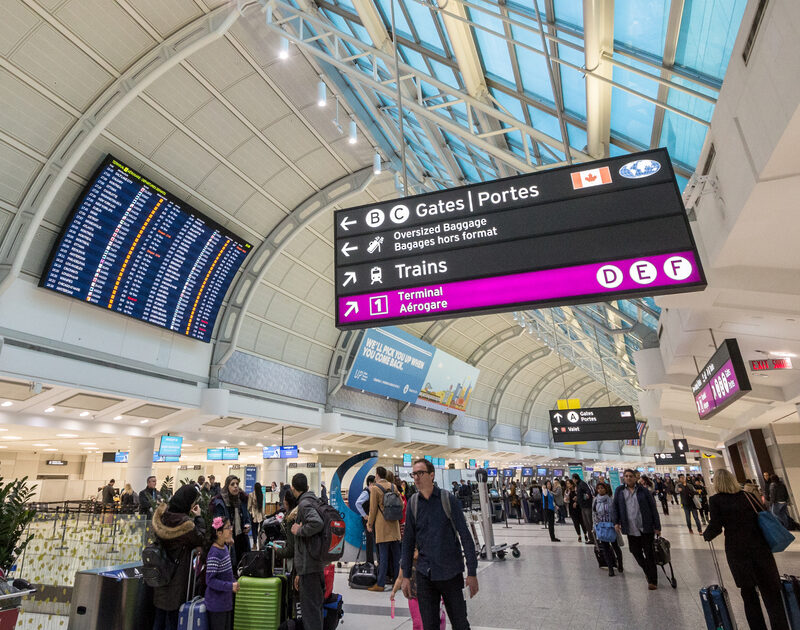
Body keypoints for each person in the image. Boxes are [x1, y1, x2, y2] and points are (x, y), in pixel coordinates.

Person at [703, 469, 788, 630]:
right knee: (772, 594)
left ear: (717, 483)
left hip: (738, 552)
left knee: (749, 595)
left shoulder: (716, 500)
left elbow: (716, 526)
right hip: (760, 548)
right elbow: (762, 513)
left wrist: (706, 535)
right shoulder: (747, 496)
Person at [401, 458, 478, 630]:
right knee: (429, 626)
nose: (416, 478)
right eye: (414, 474)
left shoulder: (447, 499)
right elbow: (407, 542)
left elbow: (465, 536)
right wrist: (405, 576)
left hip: (450, 573)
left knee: (460, 624)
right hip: (424, 575)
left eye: (420, 473)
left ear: (431, 475)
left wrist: (472, 572)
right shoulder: (413, 503)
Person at [151, 485, 206, 630]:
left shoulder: (161, 517)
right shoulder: (185, 524)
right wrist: (199, 517)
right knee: (173, 618)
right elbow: (200, 539)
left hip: (160, 571)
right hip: (177, 576)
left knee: (159, 615)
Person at [611, 469, 661, 590]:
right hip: (631, 528)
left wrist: (657, 526)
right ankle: (647, 570)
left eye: (630, 476)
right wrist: (616, 522)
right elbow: (615, 507)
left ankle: (652, 581)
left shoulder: (643, 491)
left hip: (646, 527)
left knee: (649, 554)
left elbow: (653, 508)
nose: (628, 478)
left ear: (635, 478)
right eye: (626, 476)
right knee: (635, 551)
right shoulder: (620, 491)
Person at [290, 473, 325, 630]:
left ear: (293, 488)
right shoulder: (313, 500)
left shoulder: (304, 504)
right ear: (307, 487)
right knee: (314, 609)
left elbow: (317, 523)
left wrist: (299, 530)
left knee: (310, 612)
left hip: (309, 566)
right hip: (314, 562)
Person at [367, 466, 402, 592]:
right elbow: (401, 505)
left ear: (377, 475)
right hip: (394, 526)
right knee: (397, 557)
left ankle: (381, 584)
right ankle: (398, 582)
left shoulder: (375, 489)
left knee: (383, 557)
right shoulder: (393, 487)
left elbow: (372, 509)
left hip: (382, 526)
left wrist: (369, 524)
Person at [211, 475, 252, 568]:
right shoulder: (220, 502)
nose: (235, 486)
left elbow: (247, 517)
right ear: (227, 486)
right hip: (227, 540)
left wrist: (248, 525)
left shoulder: (242, 500)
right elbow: (218, 523)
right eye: (232, 484)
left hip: (241, 537)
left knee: (242, 565)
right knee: (231, 566)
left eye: (237, 484)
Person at [205, 516, 239, 630]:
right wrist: (230, 586)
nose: (231, 529)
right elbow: (210, 580)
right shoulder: (214, 553)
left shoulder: (224, 548)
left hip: (226, 603)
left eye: (231, 526)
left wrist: (234, 582)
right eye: (227, 527)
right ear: (219, 533)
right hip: (217, 606)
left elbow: (226, 574)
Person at [592, 482, 623, 577]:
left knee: (615, 546)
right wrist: (594, 526)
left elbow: (615, 512)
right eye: (598, 488)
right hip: (601, 527)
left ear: (606, 489)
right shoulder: (596, 500)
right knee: (605, 548)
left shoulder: (611, 500)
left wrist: (617, 523)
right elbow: (594, 513)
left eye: (602, 488)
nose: (600, 490)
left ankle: (620, 564)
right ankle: (610, 568)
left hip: (611, 526)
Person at [356, 475, 376, 564]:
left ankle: (371, 561)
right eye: (374, 483)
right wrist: (364, 515)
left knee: (371, 540)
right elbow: (358, 503)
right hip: (367, 520)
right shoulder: (366, 493)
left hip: (371, 519)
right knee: (369, 540)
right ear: (370, 483)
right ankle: (370, 561)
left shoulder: (371, 492)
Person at [572, 473, 594, 544]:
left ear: (575, 479)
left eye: (573, 479)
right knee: (586, 523)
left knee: (589, 523)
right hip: (583, 506)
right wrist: (577, 499)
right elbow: (581, 494)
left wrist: (587, 496)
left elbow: (588, 491)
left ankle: (593, 539)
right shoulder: (578, 485)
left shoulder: (582, 484)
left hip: (587, 506)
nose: (573, 480)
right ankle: (591, 539)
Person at [248, 482, 265, 550]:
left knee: (254, 530)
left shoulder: (251, 494)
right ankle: (261, 544)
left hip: (254, 515)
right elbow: (263, 506)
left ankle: (254, 544)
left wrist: (250, 512)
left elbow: (249, 506)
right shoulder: (262, 495)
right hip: (261, 515)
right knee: (260, 531)